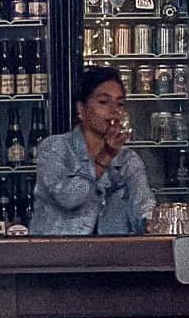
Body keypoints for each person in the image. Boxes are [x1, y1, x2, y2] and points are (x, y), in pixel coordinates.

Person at [29, 66, 155, 235]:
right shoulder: (55, 148)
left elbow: (144, 206)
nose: (114, 111)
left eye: (120, 103)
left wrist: (151, 223)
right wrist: (106, 157)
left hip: (111, 256)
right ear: (81, 109)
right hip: (57, 255)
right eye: (104, 102)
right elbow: (68, 197)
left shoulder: (128, 159)